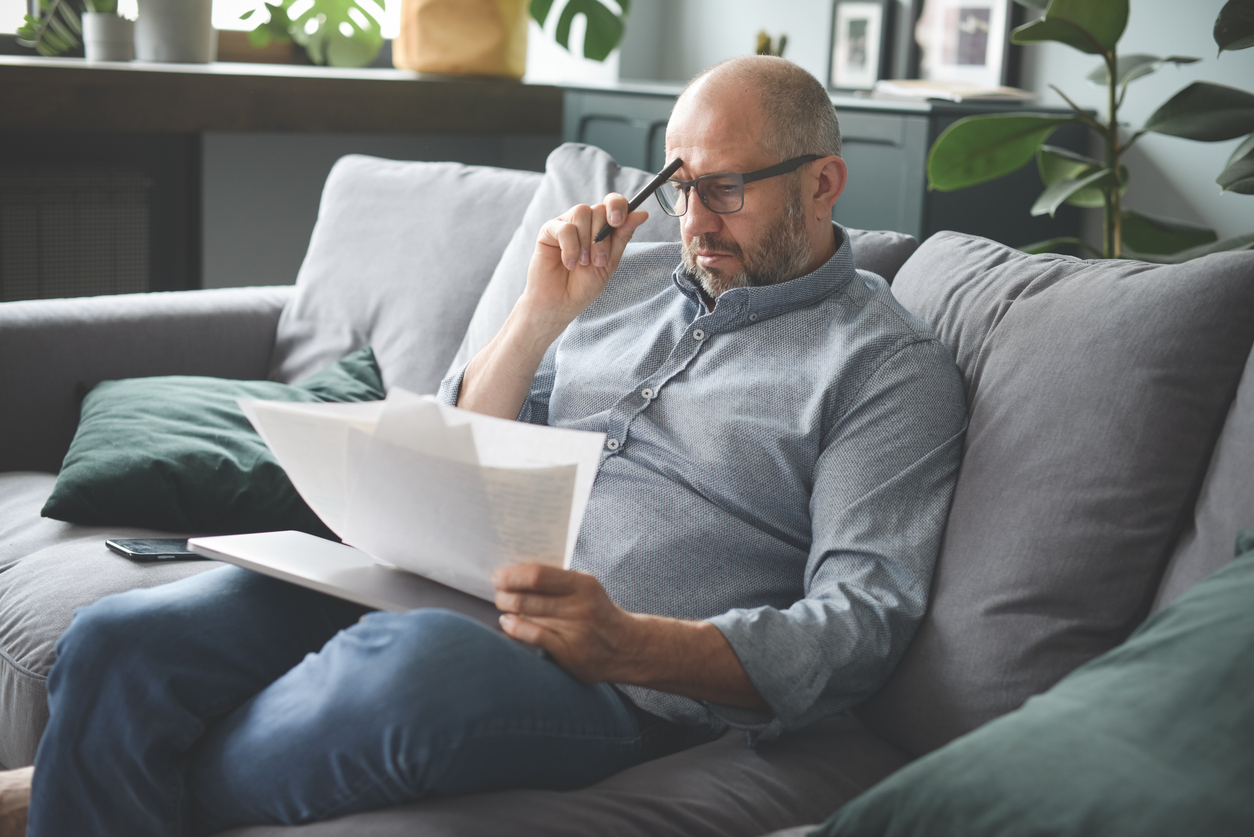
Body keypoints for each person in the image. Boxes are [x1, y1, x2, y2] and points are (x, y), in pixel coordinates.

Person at [5, 55, 966, 837]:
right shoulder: (614, 275)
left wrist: (632, 642)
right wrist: (539, 317)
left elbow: (861, 621)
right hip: (436, 580)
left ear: (824, 181)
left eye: (725, 191)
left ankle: (75, 790)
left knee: (409, 668)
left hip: (611, 676)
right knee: (119, 641)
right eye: (679, 187)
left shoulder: (885, 368)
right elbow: (458, 440)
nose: (696, 224)